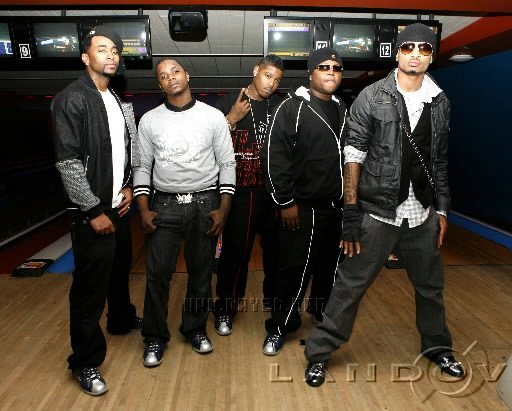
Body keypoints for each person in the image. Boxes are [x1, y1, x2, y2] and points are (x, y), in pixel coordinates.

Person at [304, 23, 465, 387]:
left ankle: (438, 348)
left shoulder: (440, 101)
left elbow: (439, 160)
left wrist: (442, 209)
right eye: (408, 47)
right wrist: (350, 213)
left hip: (421, 213)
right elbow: (353, 155)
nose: (415, 54)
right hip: (377, 212)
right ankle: (319, 353)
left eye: (424, 48)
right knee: (350, 286)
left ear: (431, 56)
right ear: (397, 52)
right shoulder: (372, 95)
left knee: (431, 288)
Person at [52, 26, 142, 396]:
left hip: (119, 203)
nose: (111, 55)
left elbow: (128, 151)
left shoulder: (119, 101)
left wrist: (128, 185)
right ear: (85, 57)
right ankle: (85, 361)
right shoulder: (71, 98)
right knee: (89, 290)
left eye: (115, 50)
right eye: (102, 49)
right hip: (91, 210)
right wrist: (92, 210)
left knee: (120, 269)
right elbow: (68, 162)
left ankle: (120, 319)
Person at [133, 58, 236, 367]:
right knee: (157, 276)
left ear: (187, 75)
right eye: (163, 76)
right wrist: (143, 208)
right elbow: (142, 165)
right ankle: (154, 337)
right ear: (160, 84)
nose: (171, 78)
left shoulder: (213, 117)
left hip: (205, 203)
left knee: (201, 274)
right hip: (163, 205)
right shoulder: (149, 120)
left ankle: (195, 329)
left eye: (175, 71)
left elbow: (227, 163)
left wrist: (224, 208)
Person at [260, 47, 348, 355]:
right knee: (295, 269)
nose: (331, 72)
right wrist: (285, 202)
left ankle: (320, 310)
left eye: (336, 68)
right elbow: (274, 157)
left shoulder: (342, 108)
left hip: (336, 207)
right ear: (311, 72)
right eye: (324, 67)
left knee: (329, 267)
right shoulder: (292, 107)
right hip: (302, 207)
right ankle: (281, 325)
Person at [212, 55, 284, 336]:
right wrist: (231, 118)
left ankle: (274, 301)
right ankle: (226, 308)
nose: (271, 83)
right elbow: (209, 143)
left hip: (274, 191)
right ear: (256, 71)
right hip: (241, 192)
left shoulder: (280, 105)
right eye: (267, 75)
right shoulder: (229, 101)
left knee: (277, 252)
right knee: (236, 253)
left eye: (277, 80)